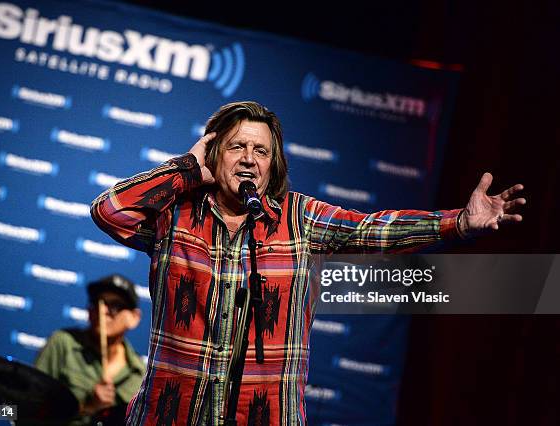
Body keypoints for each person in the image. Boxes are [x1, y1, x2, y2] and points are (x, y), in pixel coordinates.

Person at [90, 101, 525, 425]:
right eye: (236, 146)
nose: (248, 159)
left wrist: (459, 223)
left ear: (273, 163)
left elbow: (372, 230)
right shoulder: (175, 215)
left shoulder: (299, 218)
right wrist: (186, 168)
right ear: (213, 153)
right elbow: (110, 210)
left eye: (261, 151)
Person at [35, 274, 145, 425]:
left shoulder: (140, 375)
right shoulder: (63, 343)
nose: (103, 310)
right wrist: (88, 407)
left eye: (115, 306)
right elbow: (30, 409)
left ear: (134, 318)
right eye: (97, 303)